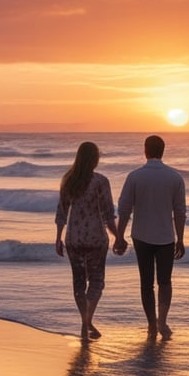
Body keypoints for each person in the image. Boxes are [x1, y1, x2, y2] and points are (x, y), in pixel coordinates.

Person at [113, 135, 186, 339]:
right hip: (165, 236)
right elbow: (180, 211)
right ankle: (162, 321)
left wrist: (119, 236)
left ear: (145, 150)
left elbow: (124, 208)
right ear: (163, 151)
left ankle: (151, 324)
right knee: (165, 281)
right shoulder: (174, 177)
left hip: (141, 235)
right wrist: (180, 238)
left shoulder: (135, 176)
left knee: (146, 283)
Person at [55, 141, 118, 343]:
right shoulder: (100, 181)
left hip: (73, 237)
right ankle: (86, 321)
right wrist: (118, 236)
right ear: (95, 159)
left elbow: (62, 211)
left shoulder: (69, 180)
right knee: (97, 281)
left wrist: (58, 238)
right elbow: (108, 214)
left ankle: (85, 321)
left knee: (79, 282)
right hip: (96, 238)